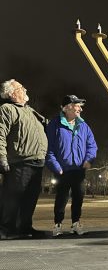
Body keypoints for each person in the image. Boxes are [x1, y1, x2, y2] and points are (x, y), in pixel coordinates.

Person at [0, 79, 48, 239]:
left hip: (37, 161)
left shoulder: (31, 111)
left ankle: (25, 227)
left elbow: (46, 125)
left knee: (30, 198)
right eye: (21, 88)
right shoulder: (7, 109)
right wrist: (2, 157)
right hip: (20, 161)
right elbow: (0, 134)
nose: (25, 89)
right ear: (13, 94)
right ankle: (6, 230)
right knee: (13, 197)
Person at [46, 95, 97, 237]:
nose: (80, 108)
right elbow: (48, 149)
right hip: (62, 170)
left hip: (79, 169)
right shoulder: (55, 125)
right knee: (61, 198)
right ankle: (58, 224)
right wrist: (56, 167)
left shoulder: (84, 126)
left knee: (78, 197)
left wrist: (89, 160)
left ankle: (76, 223)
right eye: (77, 105)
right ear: (67, 107)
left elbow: (92, 146)